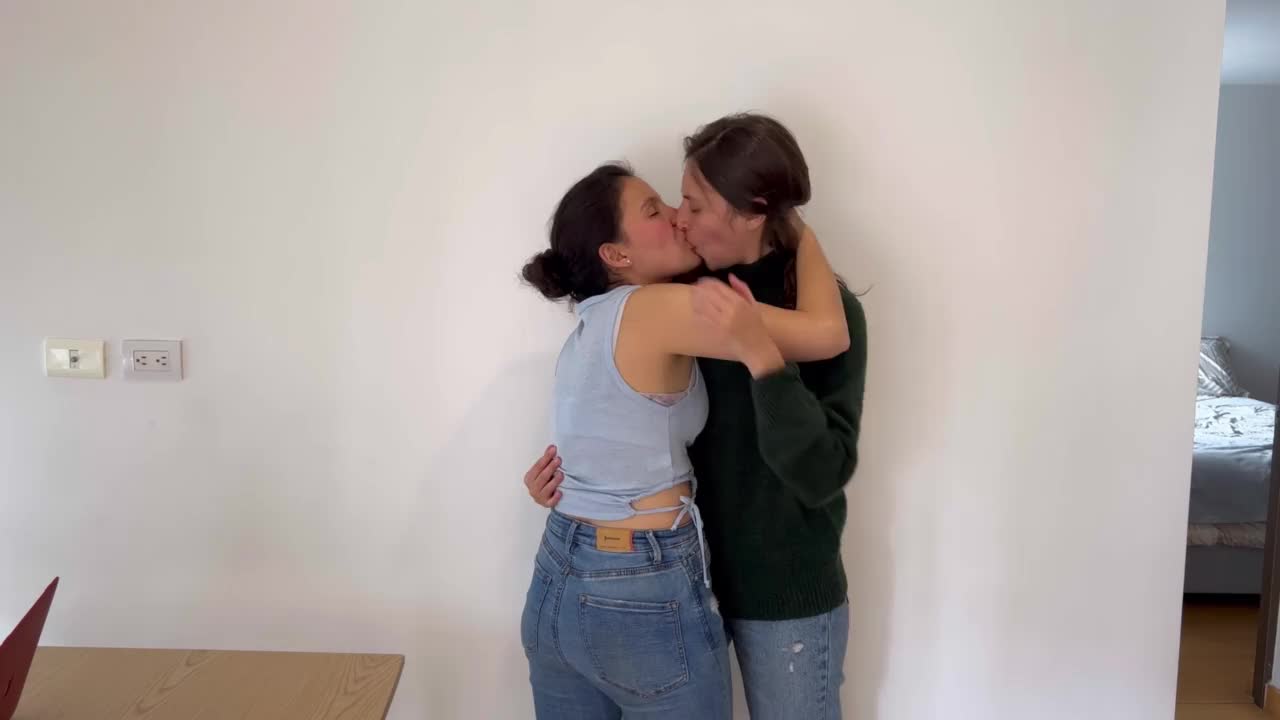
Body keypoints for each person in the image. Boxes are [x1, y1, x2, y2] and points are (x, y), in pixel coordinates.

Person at [524, 113, 868, 720]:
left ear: (754, 212)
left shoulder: (815, 306)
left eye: (691, 203)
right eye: (667, 205)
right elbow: (624, 409)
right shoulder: (679, 295)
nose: (679, 218)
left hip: (779, 591)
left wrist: (766, 344)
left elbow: (822, 469)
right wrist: (575, 479)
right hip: (676, 577)